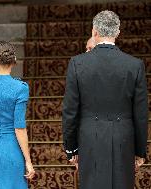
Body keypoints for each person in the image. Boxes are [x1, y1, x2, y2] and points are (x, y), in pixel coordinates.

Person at [62, 10, 148, 189]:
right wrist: (140, 150)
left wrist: (71, 148)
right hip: (123, 139)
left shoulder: (77, 63)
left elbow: (70, 111)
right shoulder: (134, 65)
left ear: (94, 32)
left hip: (89, 139)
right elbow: (140, 114)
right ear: (118, 33)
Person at [0, 41, 35, 189]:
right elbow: (19, 128)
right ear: (14, 62)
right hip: (12, 150)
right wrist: (28, 160)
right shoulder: (20, 88)